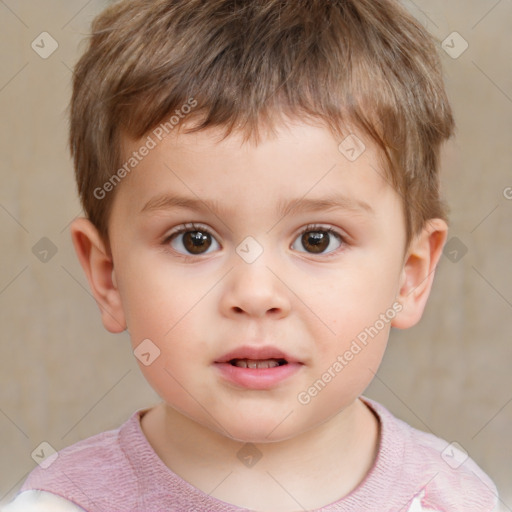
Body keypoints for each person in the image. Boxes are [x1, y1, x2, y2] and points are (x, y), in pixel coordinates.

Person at [3, 0, 500, 510]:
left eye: (317, 239)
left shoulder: (453, 497)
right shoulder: (62, 505)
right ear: (108, 276)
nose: (256, 294)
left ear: (409, 278)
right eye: (194, 239)